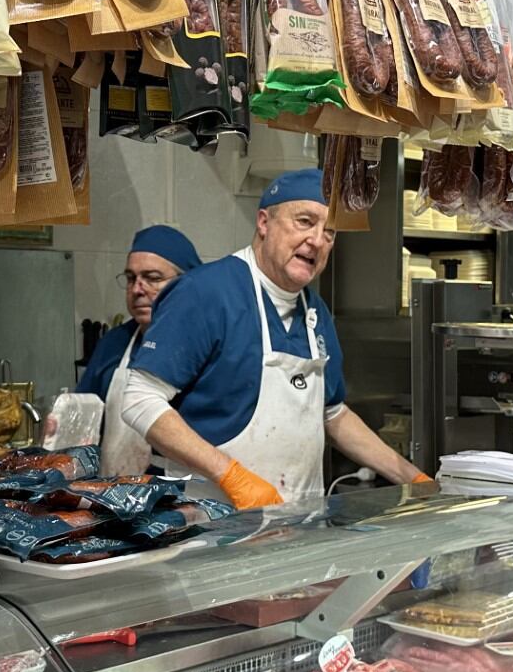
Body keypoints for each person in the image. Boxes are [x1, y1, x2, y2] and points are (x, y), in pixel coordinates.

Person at [117, 168, 426, 507]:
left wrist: (413, 480)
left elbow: (332, 413)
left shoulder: (315, 311)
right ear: (264, 223)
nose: (318, 240)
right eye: (305, 222)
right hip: (211, 524)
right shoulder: (207, 293)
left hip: (297, 521)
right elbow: (140, 399)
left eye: (331, 232)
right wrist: (231, 476)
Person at [76, 225, 202, 476]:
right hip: (110, 496)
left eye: (153, 278)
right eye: (131, 278)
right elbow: (82, 416)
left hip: (177, 499)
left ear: (186, 283)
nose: (136, 290)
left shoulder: (204, 345)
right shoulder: (114, 343)